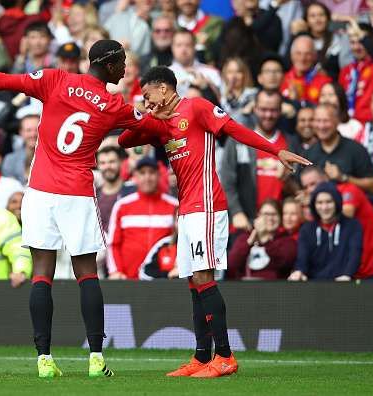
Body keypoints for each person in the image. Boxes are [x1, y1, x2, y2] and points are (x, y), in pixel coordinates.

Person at [0, 39, 181, 379]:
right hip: (77, 193)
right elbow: (158, 129)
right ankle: (96, 360)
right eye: (123, 63)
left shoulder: (54, 79)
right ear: (111, 64)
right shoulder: (115, 105)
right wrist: (160, 115)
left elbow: (2, 81)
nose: (126, 69)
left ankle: (44, 359)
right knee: (87, 273)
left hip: (40, 191)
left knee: (42, 272)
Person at [118, 66, 310, 377]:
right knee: (193, 282)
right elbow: (125, 141)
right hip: (188, 210)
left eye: (148, 94)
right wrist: (145, 113)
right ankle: (201, 357)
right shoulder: (160, 123)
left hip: (207, 204)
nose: (146, 99)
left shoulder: (196, 107)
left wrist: (276, 150)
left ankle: (225, 356)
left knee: (204, 278)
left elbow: (235, 129)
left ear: (163, 89)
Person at [220, 89, 301, 230]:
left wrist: (287, 179)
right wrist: (237, 212)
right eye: (263, 109)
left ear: (281, 110)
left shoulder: (291, 143)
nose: (268, 115)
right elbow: (227, 181)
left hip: (281, 229)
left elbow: (298, 190)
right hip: (245, 224)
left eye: (273, 110)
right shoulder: (238, 140)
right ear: (254, 108)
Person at [300, 165, 373, 279]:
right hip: (352, 269)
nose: (310, 190)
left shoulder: (348, 190)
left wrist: (313, 207)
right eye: (306, 187)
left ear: (325, 178)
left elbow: (340, 214)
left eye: (313, 184)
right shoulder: (317, 204)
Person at [106, 157, 178, 280]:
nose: (147, 178)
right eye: (142, 173)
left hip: (163, 281)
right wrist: (116, 271)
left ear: (159, 175)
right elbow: (113, 244)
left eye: (151, 172)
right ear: (135, 176)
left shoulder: (174, 205)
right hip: (127, 280)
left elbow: (180, 242)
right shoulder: (122, 205)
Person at [289, 182, 363, 281]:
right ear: (314, 205)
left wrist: (347, 275)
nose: (324, 207)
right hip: (314, 287)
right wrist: (299, 271)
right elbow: (302, 259)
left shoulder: (353, 226)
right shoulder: (306, 229)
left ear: (336, 202)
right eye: (319, 203)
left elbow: (354, 255)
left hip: (343, 285)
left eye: (329, 202)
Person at [304, 104, 373, 195]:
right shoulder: (309, 153)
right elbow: (302, 187)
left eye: (326, 121)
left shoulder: (355, 149)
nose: (321, 126)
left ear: (337, 122)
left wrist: (343, 178)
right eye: (318, 121)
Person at [338, 20, 373, 124]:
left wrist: (364, 38)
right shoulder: (346, 70)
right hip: (349, 125)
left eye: (360, 42)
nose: (356, 47)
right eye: (352, 42)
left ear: (370, 42)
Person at [228, 199, 297, 280]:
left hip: (275, 289)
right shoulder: (244, 238)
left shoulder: (287, 241)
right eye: (266, 214)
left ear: (280, 218)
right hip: (245, 288)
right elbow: (232, 263)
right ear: (258, 216)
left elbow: (284, 262)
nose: (270, 218)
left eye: (274, 214)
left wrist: (265, 239)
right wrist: (249, 242)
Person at [169, 29, 222, 99]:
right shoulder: (163, 75)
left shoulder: (211, 73)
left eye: (188, 45)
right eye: (179, 45)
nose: (183, 50)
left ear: (194, 47)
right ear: (172, 47)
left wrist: (207, 86)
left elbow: (220, 103)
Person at [280, 35, 332, 104]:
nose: (302, 59)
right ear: (291, 55)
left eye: (307, 54)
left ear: (315, 56)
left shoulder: (325, 83)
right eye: (298, 53)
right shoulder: (281, 80)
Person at [95, 146, 129, 234]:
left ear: (121, 163)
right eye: (102, 163)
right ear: (98, 166)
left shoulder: (131, 192)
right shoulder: (93, 196)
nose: (107, 166)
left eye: (112, 162)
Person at [1, 114, 39, 184]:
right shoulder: (10, 160)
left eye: (37, 130)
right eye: (28, 130)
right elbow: (8, 188)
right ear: (21, 132)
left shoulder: (54, 158)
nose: (33, 134)